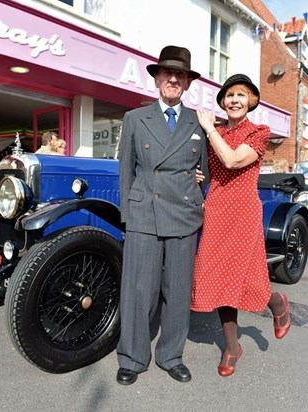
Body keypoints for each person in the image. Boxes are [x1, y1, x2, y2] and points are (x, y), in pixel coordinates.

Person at [117, 45, 209, 385]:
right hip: (145, 212)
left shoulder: (197, 121)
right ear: (156, 79)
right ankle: (132, 357)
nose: (173, 79)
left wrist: (201, 183)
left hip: (184, 214)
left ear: (187, 82)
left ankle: (171, 355)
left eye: (180, 74)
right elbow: (126, 170)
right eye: (167, 73)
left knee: (177, 290)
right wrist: (129, 214)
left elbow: (205, 171)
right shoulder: (135, 118)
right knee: (138, 290)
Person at [192, 74, 291, 377]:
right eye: (229, 95)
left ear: (250, 102)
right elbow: (212, 170)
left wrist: (209, 128)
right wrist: (199, 177)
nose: (234, 99)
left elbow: (233, 161)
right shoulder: (217, 132)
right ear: (222, 102)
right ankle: (233, 346)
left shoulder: (258, 132)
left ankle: (277, 303)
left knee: (243, 277)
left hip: (244, 212)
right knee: (219, 278)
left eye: (241, 95)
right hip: (216, 210)